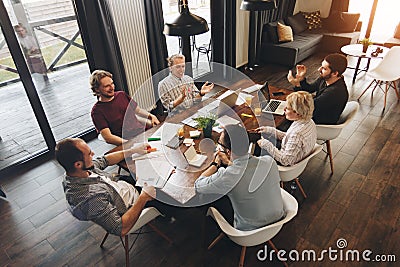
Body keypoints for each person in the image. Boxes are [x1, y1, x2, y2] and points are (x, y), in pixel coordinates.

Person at [55, 137, 156, 236]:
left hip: (124, 186)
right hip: (134, 203)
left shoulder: (76, 173)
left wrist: (132, 150)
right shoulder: (91, 199)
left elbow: (105, 160)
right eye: (89, 154)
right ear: (78, 164)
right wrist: (144, 197)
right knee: (170, 201)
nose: (93, 154)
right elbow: (120, 229)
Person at [195, 125, 284, 231]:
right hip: (278, 220)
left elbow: (198, 185)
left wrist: (215, 164)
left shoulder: (227, 177)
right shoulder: (269, 161)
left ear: (227, 151)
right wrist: (229, 163)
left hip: (249, 230)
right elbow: (242, 170)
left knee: (214, 201)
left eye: (220, 143)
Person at [90, 70, 160, 145]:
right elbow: (108, 137)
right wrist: (130, 143)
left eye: (112, 83)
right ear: (97, 89)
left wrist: (151, 116)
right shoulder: (97, 112)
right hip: (127, 141)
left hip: (142, 133)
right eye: (107, 86)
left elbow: (138, 110)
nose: (112, 87)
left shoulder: (122, 95)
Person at [257, 91, 317, 166]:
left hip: (286, 164)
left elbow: (285, 160)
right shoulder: (308, 121)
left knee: (256, 148)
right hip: (295, 154)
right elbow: (289, 137)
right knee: (265, 138)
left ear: (297, 113)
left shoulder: (297, 134)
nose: (284, 109)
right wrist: (270, 130)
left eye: (287, 108)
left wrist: (266, 144)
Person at [287, 53, 349, 124]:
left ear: (335, 73)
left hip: (320, 121)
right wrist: (301, 79)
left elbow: (308, 107)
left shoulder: (335, 92)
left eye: (324, 69)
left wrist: (296, 85)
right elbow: (309, 89)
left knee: (288, 117)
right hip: (317, 110)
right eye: (321, 66)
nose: (319, 69)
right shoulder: (325, 79)